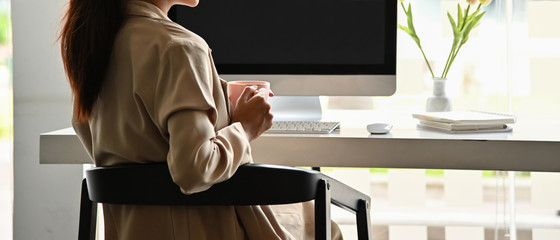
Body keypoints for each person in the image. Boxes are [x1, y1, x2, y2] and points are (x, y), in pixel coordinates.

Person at [60, 0, 343, 239]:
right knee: (323, 220)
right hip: (206, 231)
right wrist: (244, 128)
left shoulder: (95, 50)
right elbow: (193, 169)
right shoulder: (180, 47)